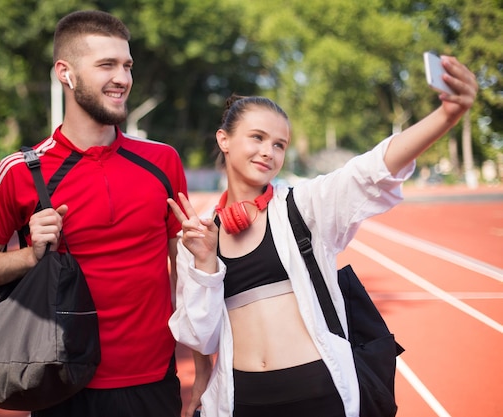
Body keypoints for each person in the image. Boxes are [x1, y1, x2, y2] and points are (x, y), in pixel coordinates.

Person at [167, 55, 477, 417]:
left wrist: (447, 116)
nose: (268, 151)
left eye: (279, 144)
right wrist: (204, 264)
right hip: (242, 400)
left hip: (319, 395)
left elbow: (371, 171)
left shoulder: (305, 207)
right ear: (224, 139)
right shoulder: (199, 235)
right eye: (257, 137)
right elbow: (200, 337)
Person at [0, 10, 210, 417]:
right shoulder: (21, 171)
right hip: (60, 381)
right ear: (65, 73)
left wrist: (202, 366)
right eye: (106, 65)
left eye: (126, 65)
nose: (122, 78)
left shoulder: (163, 161)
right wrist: (29, 255)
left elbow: (185, 272)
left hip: (152, 379)